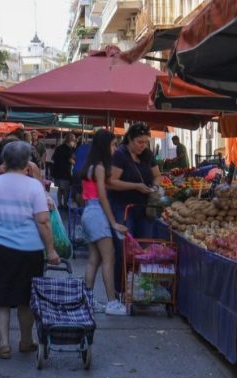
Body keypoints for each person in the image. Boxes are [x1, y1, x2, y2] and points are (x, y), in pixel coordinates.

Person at [0, 141, 61, 359]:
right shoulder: (34, 187)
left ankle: (3, 344)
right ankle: (25, 340)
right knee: (25, 298)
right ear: (27, 163)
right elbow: (43, 221)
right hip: (28, 250)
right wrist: (51, 251)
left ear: (4, 160)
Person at [79, 130, 129, 316]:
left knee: (94, 259)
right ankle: (112, 302)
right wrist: (114, 223)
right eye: (113, 144)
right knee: (109, 258)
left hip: (88, 213)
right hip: (97, 213)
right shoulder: (100, 167)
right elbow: (102, 196)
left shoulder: (90, 166)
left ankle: (88, 299)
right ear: (105, 146)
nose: (115, 148)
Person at [107, 122, 159, 294]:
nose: (143, 146)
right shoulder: (120, 155)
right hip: (123, 207)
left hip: (145, 208)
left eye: (145, 142)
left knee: (145, 249)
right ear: (129, 138)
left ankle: (140, 289)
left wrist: (156, 188)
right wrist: (135, 186)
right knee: (124, 249)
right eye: (139, 142)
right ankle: (121, 289)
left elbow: (157, 176)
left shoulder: (147, 155)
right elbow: (111, 182)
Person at [51, 133, 77, 210]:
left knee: (60, 189)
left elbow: (53, 158)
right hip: (65, 172)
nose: (74, 141)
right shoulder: (69, 149)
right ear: (70, 140)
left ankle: (59, 204)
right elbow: (71, 160)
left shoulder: (59, 148)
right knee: (66, 189)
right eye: (74, 140)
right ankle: (65, 205)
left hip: (57, 172)